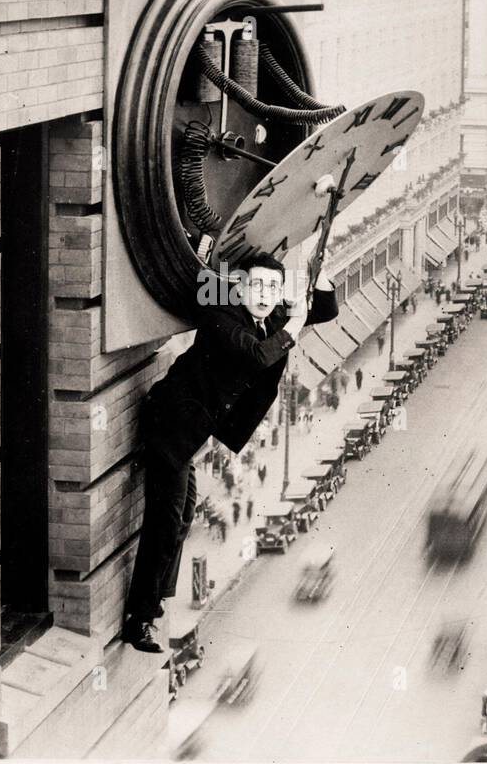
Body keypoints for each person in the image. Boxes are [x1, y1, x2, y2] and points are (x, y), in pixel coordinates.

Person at [121, 250, 339, 652]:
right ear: (241, 287)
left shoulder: (271, 319)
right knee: (166, 521)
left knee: (185, 512)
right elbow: (257, 356)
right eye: (256, 285)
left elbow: (324, 309)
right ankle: (139, 619)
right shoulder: (222, 316)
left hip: (190, 433)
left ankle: (157, 601)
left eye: (273, 288)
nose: (264, 294)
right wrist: (294, 320)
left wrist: (318, 271)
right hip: (170, 422)